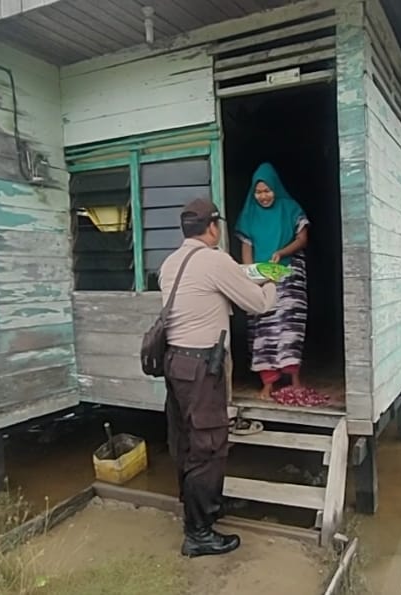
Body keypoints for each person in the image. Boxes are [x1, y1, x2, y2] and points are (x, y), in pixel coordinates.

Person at [158, 198, 277, 558]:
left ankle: (199, 511)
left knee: (186, 442)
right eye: (218, 225)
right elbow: (259, 304)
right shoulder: (214, 260)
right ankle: (199, 533)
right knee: (209, 447)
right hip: (201, 369)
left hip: (175, 363)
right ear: (212, 227)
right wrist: (272, 278)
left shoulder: (170, 263)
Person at [234, 163, 310, 399]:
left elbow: (303, 238)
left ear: (275, 188)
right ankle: (268, 383)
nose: (263, 196)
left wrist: (284, 252)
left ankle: (294, 378)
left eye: (267, 190)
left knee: (290, 327)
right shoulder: (249, 214)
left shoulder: (290, 208)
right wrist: (250, 275)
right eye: (259, 192)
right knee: (263, 330)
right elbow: (246, 249)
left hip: (288, 274)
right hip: (262, 277)